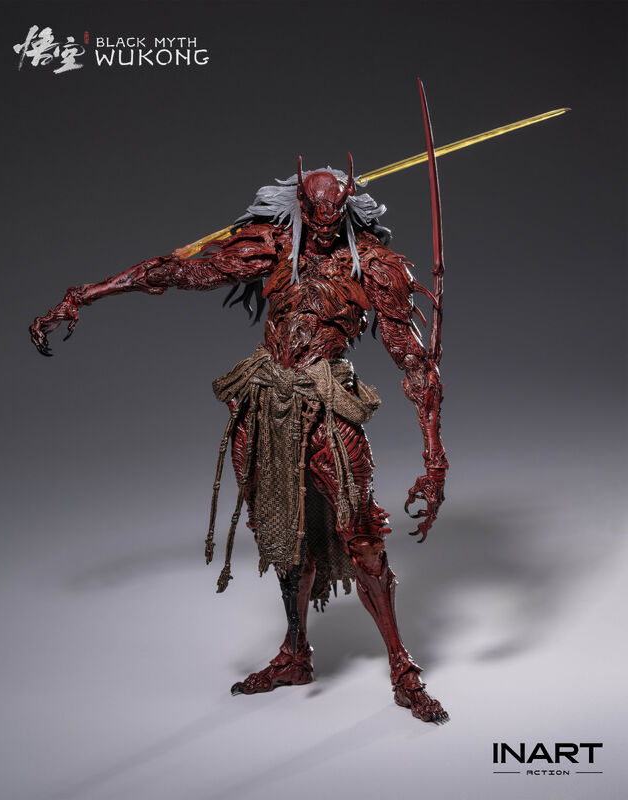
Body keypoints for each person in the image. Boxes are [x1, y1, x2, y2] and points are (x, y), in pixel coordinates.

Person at [30, 156, 449, 723]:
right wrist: (87, 293)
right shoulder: (272, 247)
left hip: (327, 403)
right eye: (316, 213)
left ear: (347, 207)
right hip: (264, 403)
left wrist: (434, 458)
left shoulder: (373, 265)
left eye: (335, 214)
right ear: (301, 206)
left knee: (362, 534)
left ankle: (402, 668)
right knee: (281, 531)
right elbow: (179, 272)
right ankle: (295, 655)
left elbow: (414, 362)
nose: (326, 225)